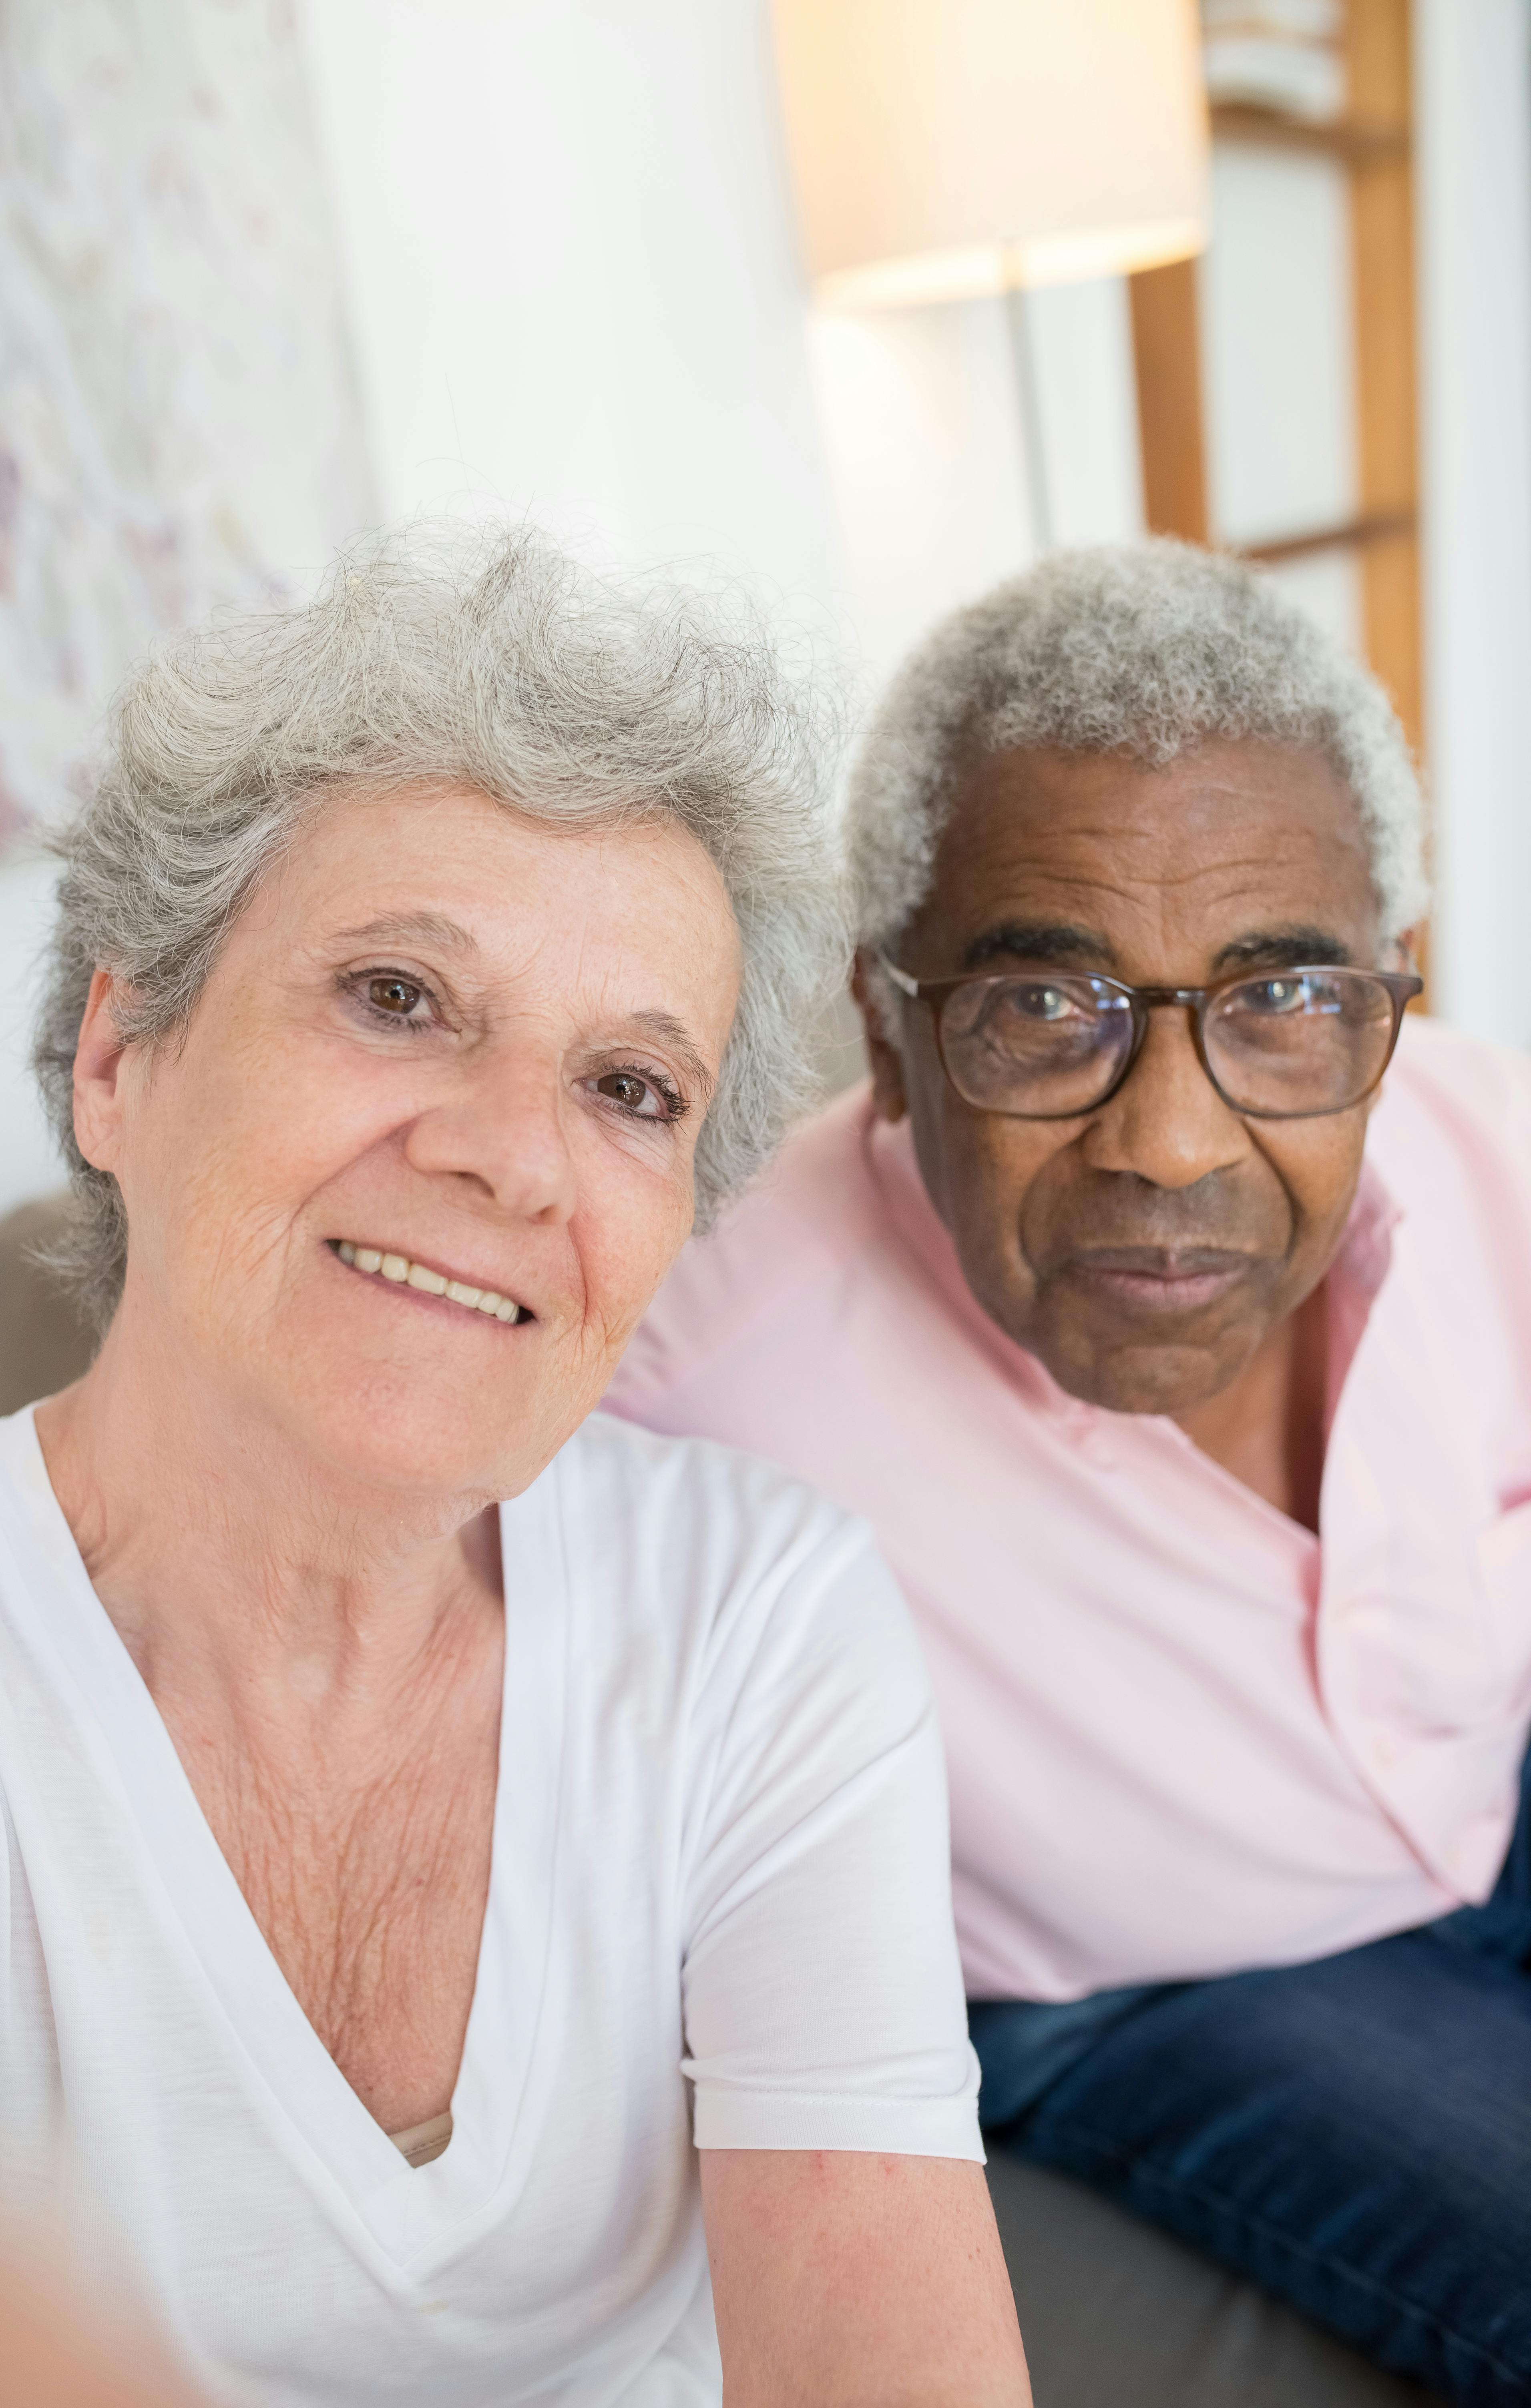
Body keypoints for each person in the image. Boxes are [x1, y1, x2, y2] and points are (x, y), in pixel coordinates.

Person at [0, 529, 1030, 2408]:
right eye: (397, 995)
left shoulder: (754, 1616)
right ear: (120, 1055)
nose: (515, 1161)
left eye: (628, 1089)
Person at [607, 542, 1531, 2407]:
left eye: (1281, 997)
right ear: (884, 1027)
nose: (1173, 1139)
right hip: (1161, 1982)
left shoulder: (1470, 1125)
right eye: (1045, 1010)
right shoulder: (669, 1383)